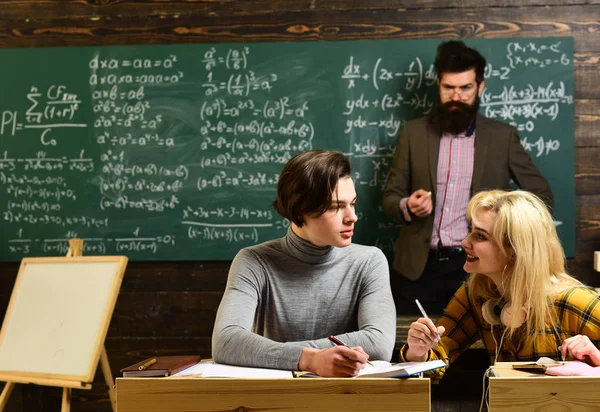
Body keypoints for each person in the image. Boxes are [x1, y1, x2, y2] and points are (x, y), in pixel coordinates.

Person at [382, 40, 554, 315]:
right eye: (449, 88)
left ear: (480, 87)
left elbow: (541, 196)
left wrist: (506, 230)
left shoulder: (502, 137)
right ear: (438, 84)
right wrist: (407, 206)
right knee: (413, 349)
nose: (457, 96)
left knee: (479, 350)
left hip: (481, 268)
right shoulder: (413, 133)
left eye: (465, 88)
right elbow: (390, 197)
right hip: (418, 269)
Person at [212, 150, 396, 377]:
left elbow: (380, 342)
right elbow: (226, 341)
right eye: (335, 207)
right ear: (300, 211)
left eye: (353, 203)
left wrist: (279, 353)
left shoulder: (369, 261)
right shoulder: (254, 261)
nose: (352, 217)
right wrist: (310, 359)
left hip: (347, 399)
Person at [402, 190, 600, 379]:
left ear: (514, 249)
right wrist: (418, 352)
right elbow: (434, 361)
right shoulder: (475, 294)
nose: (464, 242)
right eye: (470, 231)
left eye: (480, 236)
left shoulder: (576, 301)